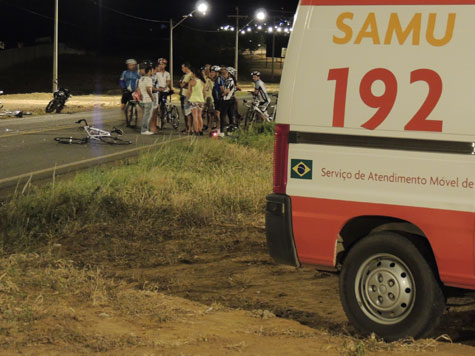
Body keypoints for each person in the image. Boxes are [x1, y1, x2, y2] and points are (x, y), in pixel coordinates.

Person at [186, 68, 206, 135]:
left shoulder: (192, 82)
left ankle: (196, 130)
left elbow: (189, 92)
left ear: (194, 74)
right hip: (200, 101)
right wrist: (202, 99)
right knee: (200, 116)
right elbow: (204, 93)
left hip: (193, 100)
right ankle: (201, 130)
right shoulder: (202, 82)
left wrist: (186, 100)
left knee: (195, 116)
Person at [219, 67, 236, 136]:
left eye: (226, 73)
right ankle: (230, 131)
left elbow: (227, 90)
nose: (224, 74)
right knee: (230, 116)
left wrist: (221, 94)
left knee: (223, 116)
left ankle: (222, 132)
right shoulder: (231, 80)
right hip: (231, 100)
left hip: (226, 100)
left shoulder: (229, 80)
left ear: (229, 74)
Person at [138, 65, 155, 135]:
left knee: (145, 115)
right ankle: (144, 130)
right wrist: (151, 97)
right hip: (148, 100)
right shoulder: (149, 79)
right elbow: (148, 89)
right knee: (147, 116)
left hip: (142, 100)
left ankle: (145, 129)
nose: (153, 72)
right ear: (150, 71)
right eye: (152, 70)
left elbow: (139, 89)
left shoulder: (141, 79)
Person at [156, 58, 172, 122]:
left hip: (164, 91)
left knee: (163, 105)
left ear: (165, 65)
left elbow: (168, 82)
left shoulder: (167, 73)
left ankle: (162, 119)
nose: (161, 65)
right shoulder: (156, 73)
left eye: (163, 64)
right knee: (156, 106)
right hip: (157, 91)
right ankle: (157, 120)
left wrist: (165, 87)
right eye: (160, 64)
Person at [180, 62, 193, 134]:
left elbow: (182, 85)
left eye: (183, 67)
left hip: (186, 95)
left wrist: (181, 84)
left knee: (187, 113)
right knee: (189, 113)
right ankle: (189, 128)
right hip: (189, 95)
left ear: (186, 67)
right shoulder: (190, 75)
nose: (182, 69)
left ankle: (189, 128)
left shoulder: (188, 75)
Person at [202, 66, 215, 132]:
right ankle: (203, 125)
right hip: (203, 98)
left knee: (211, 113)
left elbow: (213, 89)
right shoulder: (203, 79)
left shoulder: (211, 80)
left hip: (210, 97)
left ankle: (210, 126)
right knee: (202, 113)